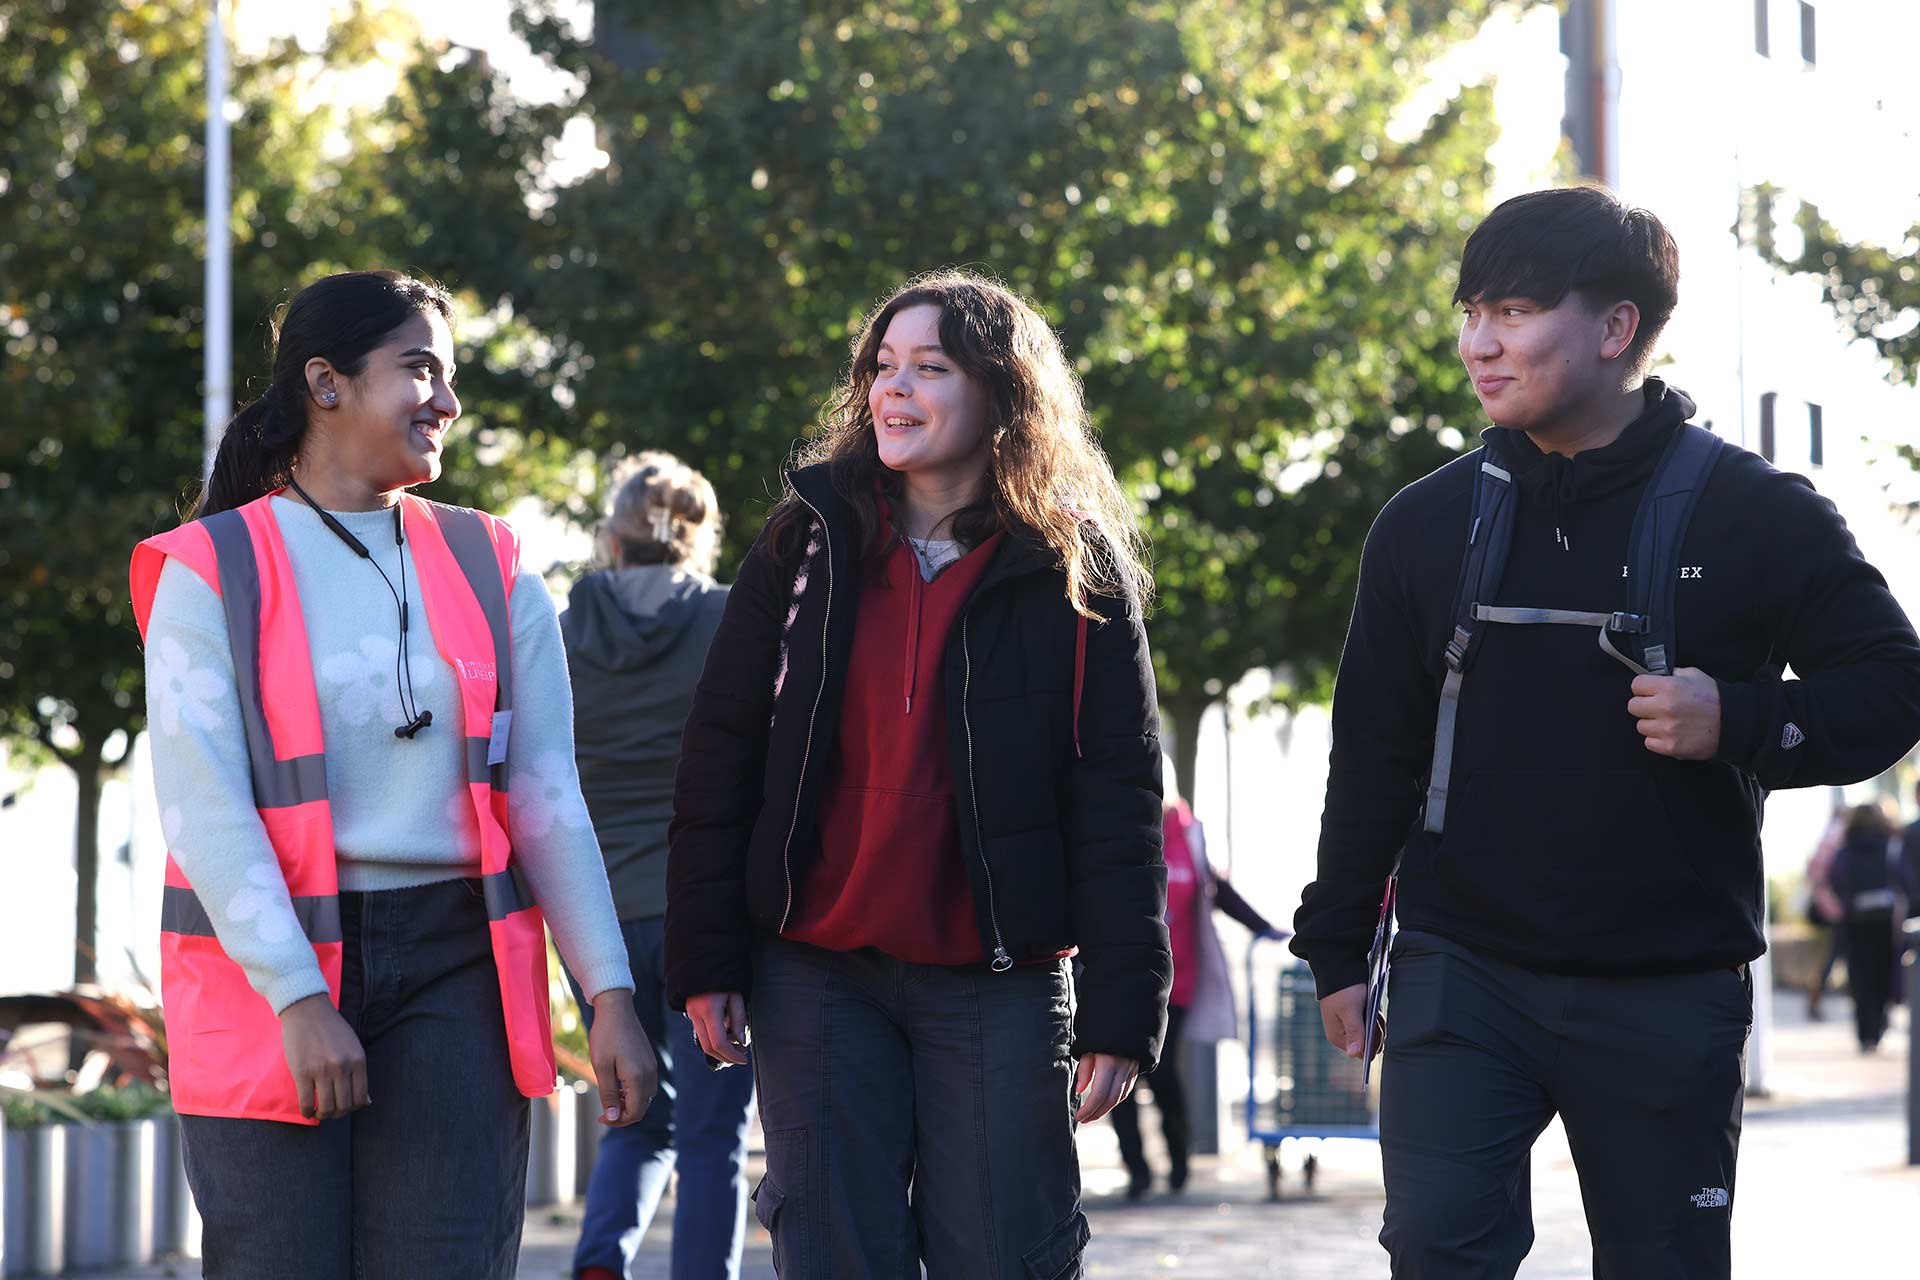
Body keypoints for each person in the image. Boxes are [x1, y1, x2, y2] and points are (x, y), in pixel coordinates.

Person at [1289, 187, 1920, 1279]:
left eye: (1516, 311)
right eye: (1471, 309)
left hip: (1666, 981)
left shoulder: (1755, 510)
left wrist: (1745, 716)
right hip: (1462, 966)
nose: (1480, 343)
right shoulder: (1424, 525)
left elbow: (1894, 684)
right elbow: (1374, 752)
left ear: (1617, 327)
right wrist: (1337, 946)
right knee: (1438, 1249)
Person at [131, 270, 656, 1277]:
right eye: (420, 370)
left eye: (450, 376)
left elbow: (546, 796)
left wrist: (610, 989)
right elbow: (205, 806)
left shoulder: (495, 561)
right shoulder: (207, 566)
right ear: (325, 383)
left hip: (457, 967)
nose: (448, 403)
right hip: (264, 974)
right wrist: (297, 994)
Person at [664, 270, 1170, 1277]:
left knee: (1005, 1250)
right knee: (832, 1247)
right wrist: (706, 956)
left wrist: (1125, 1004)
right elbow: (721, 752)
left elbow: (1121, 801)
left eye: (930, 367)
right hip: (813, 968)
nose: (895, 389)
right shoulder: (803, 539)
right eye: (883, 367)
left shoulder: (1079, 566)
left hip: (999, 978)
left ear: (1002, 394)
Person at [559, 452, 754, 1280]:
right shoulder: (727, 621)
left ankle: (602, 1260)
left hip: (592, 914)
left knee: (637, 1117)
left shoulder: (562, 631)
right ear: (701, 536)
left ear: (611, 538)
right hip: (702, 911)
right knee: (714, 1133)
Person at [1111, 768, 1284, 1200]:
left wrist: (1265, 927)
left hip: (1176, 984)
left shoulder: (1188, 834)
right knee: (1116, 1076)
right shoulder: (1118, 827)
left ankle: (1179, 1161)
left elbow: (1218, 891)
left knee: (1163, 1073)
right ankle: (1136, 1169)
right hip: (1121, 978)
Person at [1826, 802, 1903, 1052]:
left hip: (1855, 918)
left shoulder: (1846, 849)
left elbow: (1835, 879)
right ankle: (1878, 1029)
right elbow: (1903, 877)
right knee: (1883, 973)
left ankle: (1864, 1033)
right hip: (1884, 917)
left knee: (1860, 976)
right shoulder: (1890, 845)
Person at [1803, 806, 1848, 1020]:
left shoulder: (1827, 835)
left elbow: (1811, 872)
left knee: (1829, 957)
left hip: (1827, 907)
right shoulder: (1837, 836)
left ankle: (1815, 999)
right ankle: (1815, 1000)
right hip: (1835, 908)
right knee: (1833, 957)